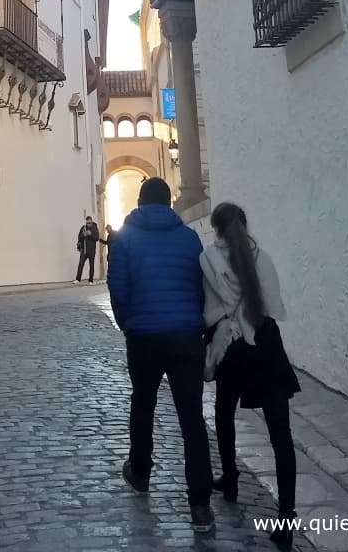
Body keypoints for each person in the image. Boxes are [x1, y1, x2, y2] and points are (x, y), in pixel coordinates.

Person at [107, 177, 215, 533]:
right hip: (185, 336)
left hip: (144, 336)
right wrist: (193, 322)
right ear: (169, 203)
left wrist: (128, 323)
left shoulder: (123, 238)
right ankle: (200, 505)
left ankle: (140, 472)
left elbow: (118, 287)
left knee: (143, 403)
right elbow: (200, 286)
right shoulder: (188, 237)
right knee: (191, 419)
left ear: (139, 202)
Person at [200, 202, 300, 550]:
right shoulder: (264, 258)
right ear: (245, 225)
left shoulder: (209, 260)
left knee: (224, 414)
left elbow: (210, 311)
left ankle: (229, 478)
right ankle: (286, 517)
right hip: (266, 344)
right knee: (281, 435)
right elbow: (272, 304)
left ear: (216, 230)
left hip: (233, 348)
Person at [74, 215, 100, 284]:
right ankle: (78, 279)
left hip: (91, 251)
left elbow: (97, 238)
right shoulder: (83, 228)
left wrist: (91, 234)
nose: (88, 224)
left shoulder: (95, 228)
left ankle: (90, 280)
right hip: (84, 250)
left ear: (91, 222)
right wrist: (84, 235)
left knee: (91, 265)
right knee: (80, 264)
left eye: (89, 223)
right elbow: (79, 237)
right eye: (87, 223)